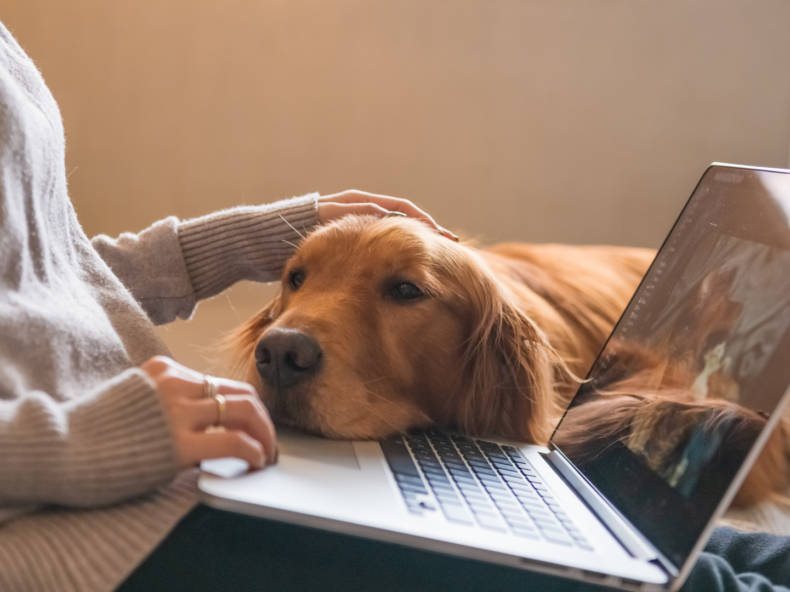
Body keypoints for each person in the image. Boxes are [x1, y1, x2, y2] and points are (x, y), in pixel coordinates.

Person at [0, 18, 788, 592]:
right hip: (81, 517)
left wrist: (256, 240)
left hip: (156, 455)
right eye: (296, 287)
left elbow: (35, 265)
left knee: (690, 551)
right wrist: (88, 440)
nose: (288, 337)